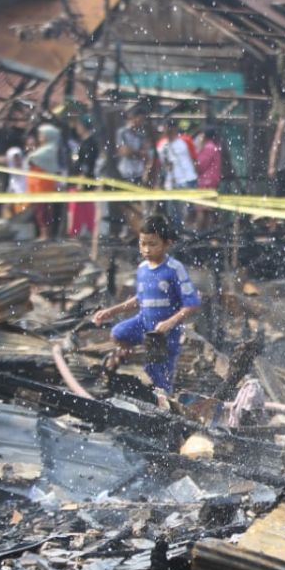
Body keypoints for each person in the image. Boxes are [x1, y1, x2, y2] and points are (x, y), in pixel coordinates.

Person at [93, 214, 201, 393]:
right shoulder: (142, 269)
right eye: (143, 244)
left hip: (165, 333)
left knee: (158, 374)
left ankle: (166, 406)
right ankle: (124, 356)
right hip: (143, 322)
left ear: (166, 244)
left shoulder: (174, 269)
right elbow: (139, 299)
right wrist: (111, 311)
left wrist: (170, 322)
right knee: (118, 333)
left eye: (152, 244)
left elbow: (192, 303)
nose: (147, 249)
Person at [114, 105, 152, 238]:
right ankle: (126, 228)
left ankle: (135, 229)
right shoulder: (123, 132)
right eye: (139, 119)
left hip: (138, 173)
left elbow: (146, 154)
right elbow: (124, 151)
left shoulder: (142, 134)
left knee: (137, 204)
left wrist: (137, 153)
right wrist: (138, 153)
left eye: (142, 120)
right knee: (125, 203)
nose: (140, 122)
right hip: (125, 173)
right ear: (132, 118)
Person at [156, 119, 198, 232]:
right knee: (173, 212)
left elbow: (194, 158)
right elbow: (161, 165)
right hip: (171, 183)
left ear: (174, 129)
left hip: (188, 179)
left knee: (188, 210)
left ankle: (189, 232)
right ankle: (177, 232)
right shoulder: (161, 145)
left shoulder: (185, 141)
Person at [27, 124, 65, 239]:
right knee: (40, 210)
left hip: (44, 185)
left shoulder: (50, 149)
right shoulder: (45, 148)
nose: (39, 136)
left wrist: (31, 154)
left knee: (43, 210)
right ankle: (43, 233)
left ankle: (45, 234)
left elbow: (32, 158)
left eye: (41, 134)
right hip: (38, 185)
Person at [194, 126, 223, 231]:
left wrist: (197, 153)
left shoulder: (208, 148)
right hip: (213, 181)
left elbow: (200, 166)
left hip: (206, 182)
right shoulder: (215, 147)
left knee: (202, 209)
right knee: (210, 209)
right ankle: (210, 234)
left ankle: (199, 234)